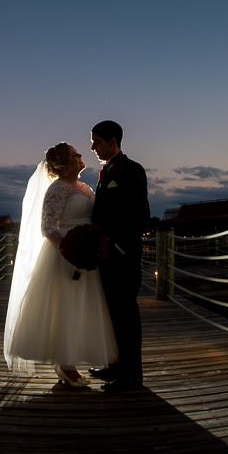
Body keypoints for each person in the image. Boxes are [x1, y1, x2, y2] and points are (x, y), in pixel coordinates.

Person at [3, 142, 118, 387]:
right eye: (76, 155)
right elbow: (47, 227)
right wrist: (70, 249)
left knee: (82, 307)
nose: (81, 156)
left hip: (87, 255)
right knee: (66, 307)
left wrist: (92, 247)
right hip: (64, 256)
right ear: (66, 164)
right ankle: (66, 366)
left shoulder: (86, 188)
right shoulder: (57, 189)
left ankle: (69, 361)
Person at [88, 120, 150, 392]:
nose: (92, 147)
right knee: (112, 313)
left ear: (112, 141)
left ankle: (132, 375)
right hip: (106, 255)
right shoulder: (105, 172)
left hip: (122, 254)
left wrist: (117, 245)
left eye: (97, 142)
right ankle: (115, 366)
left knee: (126, 314)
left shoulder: (131, 169)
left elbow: (140, 215)